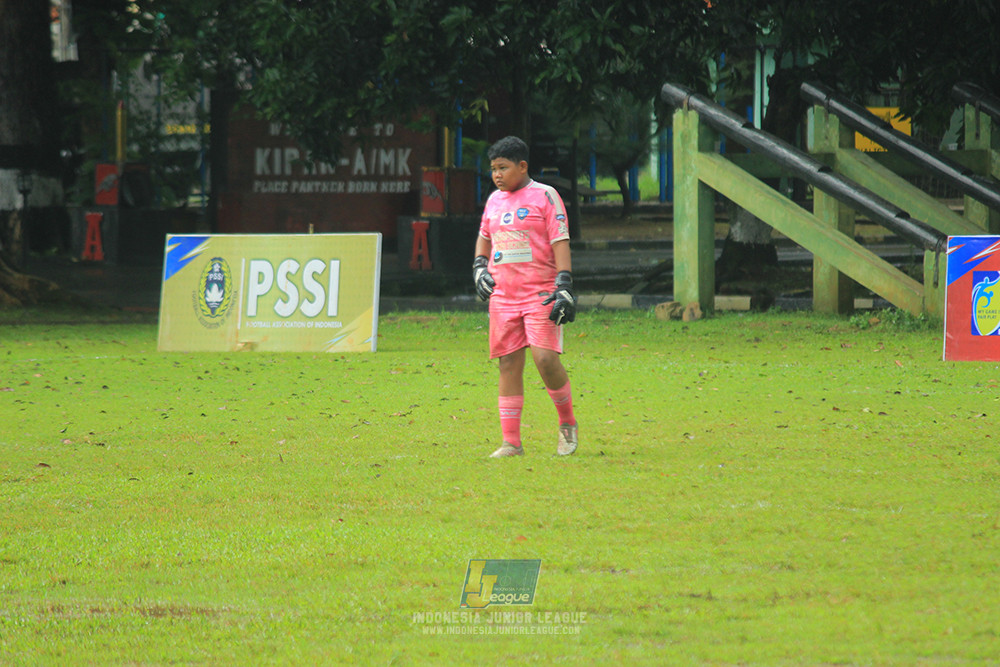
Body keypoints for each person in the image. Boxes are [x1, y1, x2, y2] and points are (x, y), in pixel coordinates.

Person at [473, 136, 579, 458]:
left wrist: (564, 283)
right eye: (493, 169)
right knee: (508, 362)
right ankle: (511, 442)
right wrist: (479, 268)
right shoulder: (494, 201)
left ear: (522, 166)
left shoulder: (545, 196)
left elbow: (560, 240)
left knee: (545, 359)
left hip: (540, 294)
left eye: (503, 168)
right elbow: (484, 237)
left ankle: (567, 423)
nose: (497, 175)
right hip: (503, 296)